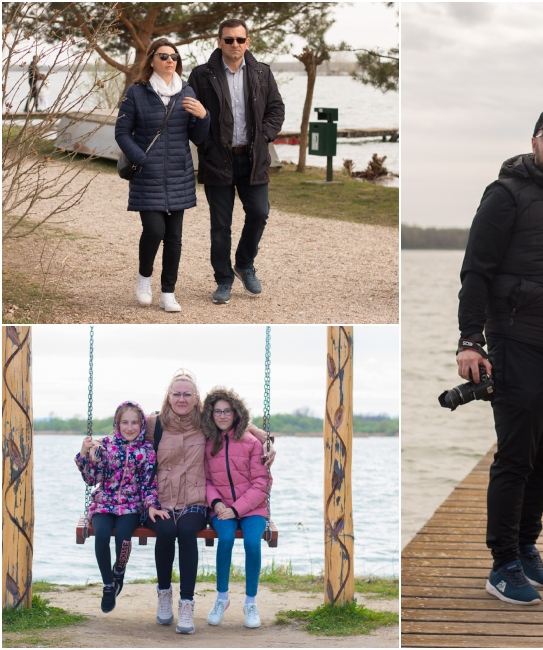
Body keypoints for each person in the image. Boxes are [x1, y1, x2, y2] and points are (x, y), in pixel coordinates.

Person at [456, 105, 543, 606]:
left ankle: (527, 544)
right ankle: (502, 563)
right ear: (535, 141)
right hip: (517, 345)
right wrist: (471, 342)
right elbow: (476, 271)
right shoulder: (505, 194)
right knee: (515, 457)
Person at [147, 370, 275, 633]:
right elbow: (125, 431)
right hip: (168, 499)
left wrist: (267, 440)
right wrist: (94, 446)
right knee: (167, 530)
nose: (182, 398)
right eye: (176, 394)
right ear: (168, 397)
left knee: (187, 531)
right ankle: (167, 595)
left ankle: (189, 603)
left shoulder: (205, 423)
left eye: (187, 394)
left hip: (197, 501)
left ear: (196, 399)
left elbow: (235, 421)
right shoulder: (154, 424)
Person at [187, 18, 285, 305]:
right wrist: (206, 145)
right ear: (219, 41)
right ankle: (223, 280)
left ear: (248, 42)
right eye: (228, 39)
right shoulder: (201, 75)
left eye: (240, 40)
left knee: (259, 213)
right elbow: (190, 117)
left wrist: (264, 136)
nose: (235, 45)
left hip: (253, 159)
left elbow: (276, 109)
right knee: (220, 226)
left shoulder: (261, 73)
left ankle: (244, 264)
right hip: (217, 160)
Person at [114, 39, 210, 313]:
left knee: (175, 237)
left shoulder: (187, 92)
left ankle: (168, 292)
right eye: (164, 56)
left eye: (174, 57)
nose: (170, 61)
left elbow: (198, 137)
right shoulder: (137, 93)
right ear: (152, 60)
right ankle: (144, 280)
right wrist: (142, 159)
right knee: (155, 230)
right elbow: (121, 133)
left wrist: (204, 117)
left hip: (179, 175)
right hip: (148, 174)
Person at [76, 401, 169, 613]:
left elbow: (148, 484)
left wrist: (152, 505)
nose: (129, 427)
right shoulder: (105, 445)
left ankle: (119, 571)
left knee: (123, 538)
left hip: (131, 506)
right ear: (117, 424)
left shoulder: (146, 451)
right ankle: (108, 585)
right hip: (104, 504)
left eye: (134, 423)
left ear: (142, 424)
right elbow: (92, 479)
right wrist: (84, 454)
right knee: (101, 536)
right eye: (124, 422)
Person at [201, 388, 270, 629]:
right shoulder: (208, 443)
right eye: (217, 411)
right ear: (211, 414)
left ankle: (250, 602)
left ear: (236, 413)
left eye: (226, 411)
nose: (221, 416)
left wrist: (237, 509)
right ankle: (222, 598)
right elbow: (206, 480)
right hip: (220, 508)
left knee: (252, 542)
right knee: (226, 539)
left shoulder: (252, 442)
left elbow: (262, 483)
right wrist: (218, 503)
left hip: (253, 508)